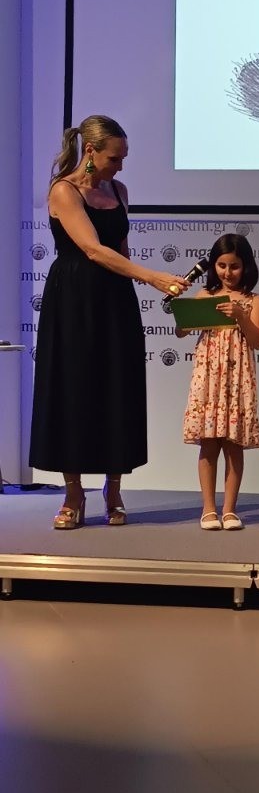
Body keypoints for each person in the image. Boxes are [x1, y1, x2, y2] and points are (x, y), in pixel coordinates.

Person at [29, 115, 189, 529]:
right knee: (73, 390)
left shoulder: (119, 191)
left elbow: (120, 250)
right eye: (114, 158)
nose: (120, 166)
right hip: (73, 300)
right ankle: (73, 494)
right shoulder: (63, 191)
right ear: (90, 151)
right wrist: (153, 277)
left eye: (123, 158)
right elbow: (93, 250)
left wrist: (145, 281)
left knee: (117, 388)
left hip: (115, 299)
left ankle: (113, 490)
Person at [179, 234, 259, 530]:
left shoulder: (254, 300)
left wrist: (241, 316)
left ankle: (229, 510)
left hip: (237, 378)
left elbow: (258, 341)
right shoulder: (205, 295)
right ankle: (208, 509)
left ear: (246, 266)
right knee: (208, 443)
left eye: (234, 266)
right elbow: (182, 330)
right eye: (222, 265)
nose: (228, 273)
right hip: (209, 376)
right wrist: (185, 314)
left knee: (233, 443)